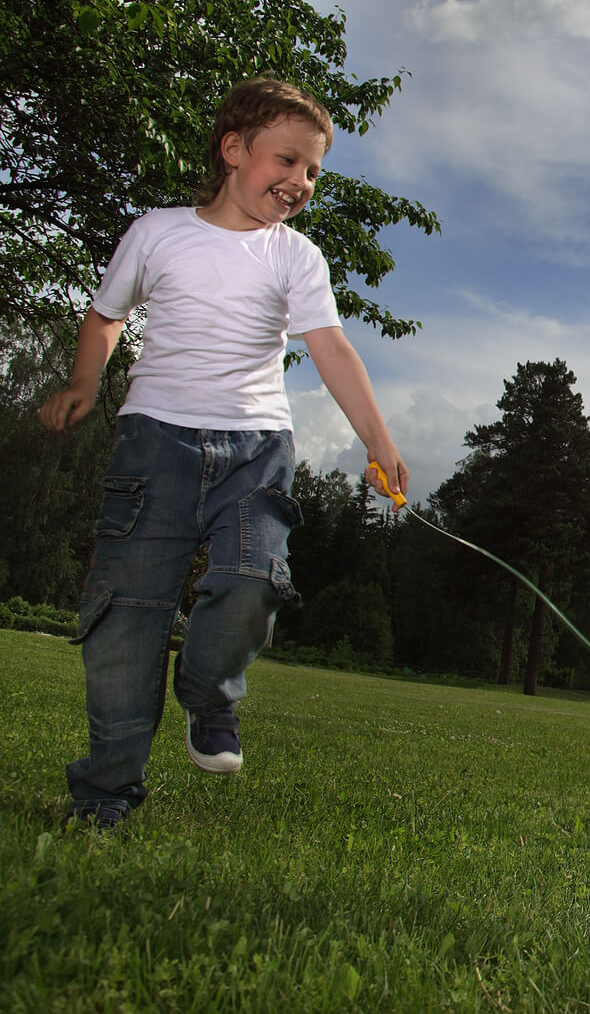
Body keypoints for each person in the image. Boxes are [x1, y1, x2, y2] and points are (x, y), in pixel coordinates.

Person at [38, 76, 409, 829]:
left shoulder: (296, 258)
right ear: (233, 149)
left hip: (256, 449)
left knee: (251, 582)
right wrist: (85, 379)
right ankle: (106, 796)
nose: (300, 182)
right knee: (126, 623)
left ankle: (209, 695)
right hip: (155, 444)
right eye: (288, 161)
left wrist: (378, 440)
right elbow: (106, 315)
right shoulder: (158, 233)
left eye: (312, 170)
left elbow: (331, 348)